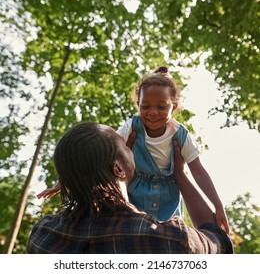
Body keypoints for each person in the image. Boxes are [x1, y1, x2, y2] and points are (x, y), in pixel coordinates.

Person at [37, 66, 229, 233]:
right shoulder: (132, 127)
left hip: (168, 194)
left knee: (168, 235)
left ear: (174, 107)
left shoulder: (180, 135)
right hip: (135, 190)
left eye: (161, 107)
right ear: (137, 105)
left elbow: (199, 172)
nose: (153, 112)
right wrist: (64, 181)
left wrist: (218, 205)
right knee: (131, 228)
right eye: (145, 106)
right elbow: (104, 153)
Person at [27, 121, 233, 254]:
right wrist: (180, 175)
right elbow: (218, 242)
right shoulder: (167, 239)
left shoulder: (43, 233)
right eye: (126, 146)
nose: (132, 147)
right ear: (117, 168)